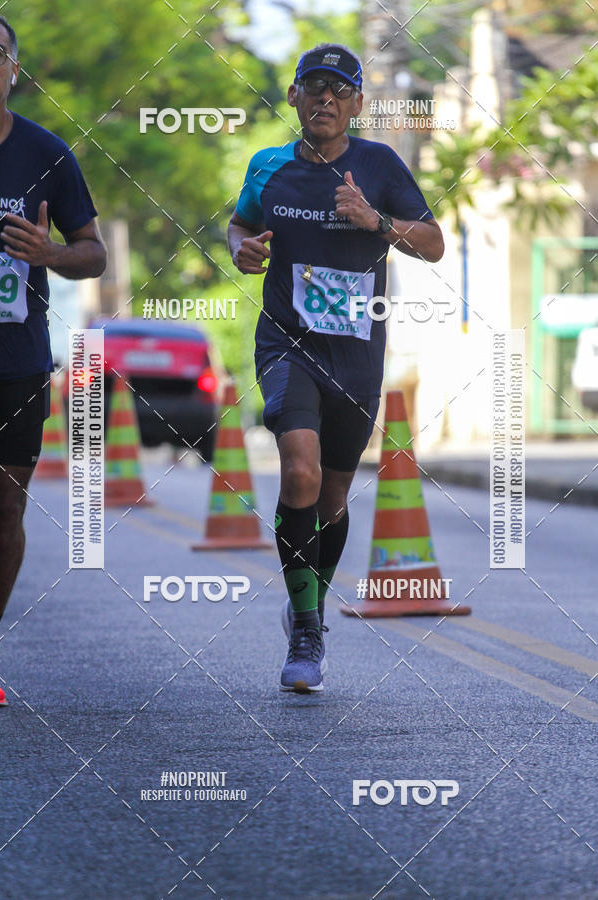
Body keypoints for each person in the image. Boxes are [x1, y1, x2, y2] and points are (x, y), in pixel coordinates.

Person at [228, 43, 444, 693]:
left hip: (355, 355)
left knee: (332, 499)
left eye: (338, 90)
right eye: (312, 86)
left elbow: (432, 242)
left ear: (356, 105)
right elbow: (239, 228)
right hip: (287, 344)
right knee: (299, 468)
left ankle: (310, 608)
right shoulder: (267, 168)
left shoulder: (379, 166)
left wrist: (376, 221)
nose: (324, 98)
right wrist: (245, 250)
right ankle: (304, 627)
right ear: (292, 96)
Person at [0, 16, 106, 705]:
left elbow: (94, 252)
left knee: (4, 511)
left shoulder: (45, 153)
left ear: (13, 69)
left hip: (15, 361)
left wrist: (50, 256)